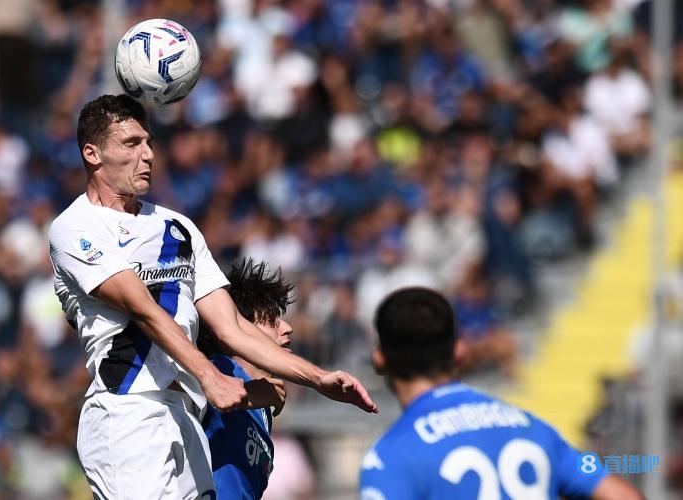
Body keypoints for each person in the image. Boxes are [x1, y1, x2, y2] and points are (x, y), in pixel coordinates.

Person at [48, 94, 377, 500]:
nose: (148, 154)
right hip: (127, 410)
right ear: (92, 154)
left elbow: (232, 326)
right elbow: (143, 310)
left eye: (149, 142)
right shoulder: (75, 227)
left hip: (186, 414)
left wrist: (317, 377)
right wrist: (210, 375)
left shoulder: (178, 227)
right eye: (131, 144)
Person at [359, 287, 641, 500]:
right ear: (459, 351)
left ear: (379, 359)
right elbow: (621, 494)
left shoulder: (391, 458)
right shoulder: (531, 427)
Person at [197, 258, 292, 499]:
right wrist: (247, 395)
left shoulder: (265, 410)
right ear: (237, 328)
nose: (287, 328)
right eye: (272, 321)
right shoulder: (217, 370)